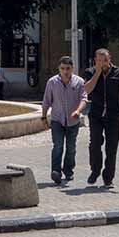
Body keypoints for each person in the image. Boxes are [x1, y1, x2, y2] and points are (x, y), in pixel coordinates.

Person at [83, 48, 119, 189]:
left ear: (109, 59)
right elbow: (86, 90)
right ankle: (95, 171)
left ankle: (108, 177)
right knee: (95, 144)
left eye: (104, 60)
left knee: (111, 148)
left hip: (113, 115)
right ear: (95, 61)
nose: (102, 63)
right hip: (96, 115)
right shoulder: (90, 72)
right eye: (99, 60)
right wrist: (98, 73)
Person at [41, 56, 88, 185]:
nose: (65, 71)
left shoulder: (79, 82)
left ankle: (68, 170)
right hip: (57, 120)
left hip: (73, 121)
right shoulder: (52, 82)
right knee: (58, 146)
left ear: (72, 68)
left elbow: (84, 99)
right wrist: (44, 117)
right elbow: (46, 101)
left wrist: (78, 111)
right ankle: (56, 172)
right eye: (62, 68)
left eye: (68, 68)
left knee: (71, 148)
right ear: (59, 69)